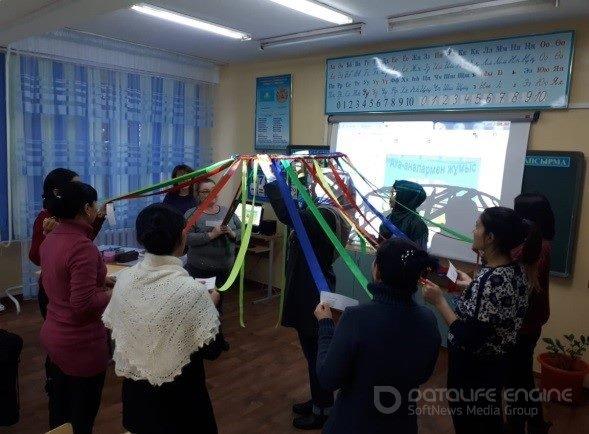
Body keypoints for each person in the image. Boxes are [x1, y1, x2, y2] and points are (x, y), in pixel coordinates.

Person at [103, 203, 223, 434]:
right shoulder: (192, 291)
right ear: (181, 238)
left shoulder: (125, 279)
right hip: (181, 402)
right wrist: (211, 305)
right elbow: (212, 350)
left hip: (138, 399)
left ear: (140, 239)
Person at [423, 207, 542, 434]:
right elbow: (493, 313)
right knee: (488, 418)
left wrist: (439, 302)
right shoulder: (516, 271)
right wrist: (472, 287)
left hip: (472, 370)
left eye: (478, 226)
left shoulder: (490, 280)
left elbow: (468, 336)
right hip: (495, 366)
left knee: (471, 423)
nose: (473, 230)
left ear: (490, 237)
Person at [313, 238, 441, 434]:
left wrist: (325, 324)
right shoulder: (428, 319)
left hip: (354, 424)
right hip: (402, 425)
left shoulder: (356, 318)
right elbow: (423, 374)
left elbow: (328, 378)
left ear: (377, 271)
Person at [260, 159, 351, 430]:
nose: (312, 187)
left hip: (312, 294)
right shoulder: (327, 213)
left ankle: (322, 410)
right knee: (312, 353)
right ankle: (317, 400)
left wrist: (271, 178)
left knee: (316, 355)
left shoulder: (325, 216)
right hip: (311, 289)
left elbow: (289, 215)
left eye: (318, 184)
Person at [40, 181, 113, 434]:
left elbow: (62, 280)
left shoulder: (51, 238)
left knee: (60, 413)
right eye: (94, 204)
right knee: (81, 418)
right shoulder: (82, 246)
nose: (96, 208)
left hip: (55, 335)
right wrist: (113, 294)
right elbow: (82, 304)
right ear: (86, 208)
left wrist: (100, 281)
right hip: (80, 344)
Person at [505, 193, 555, 434]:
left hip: (525, 323)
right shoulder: (536, 242)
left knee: (517, 380)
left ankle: (516, 426)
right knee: (522, 376)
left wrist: (493, 248)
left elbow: (514, 268)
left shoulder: (537, 247)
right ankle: (536, 423)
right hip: (528, 321)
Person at [29, 168, 105, 319]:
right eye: (75, 186)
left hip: (71, 288)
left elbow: (81, 243)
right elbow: (36, 256)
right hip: (56, 291)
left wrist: (97, 220)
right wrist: (50, 237)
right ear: (57, 192)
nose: (79, 189)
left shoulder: (73, 221)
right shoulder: (46, 218)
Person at [184, 178, 241, 291]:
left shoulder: (227, 211)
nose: (211, 194)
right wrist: (211, 235)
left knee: (221, 298)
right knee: (207, 299)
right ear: (198, 194)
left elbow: (242, 230)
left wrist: (232, 233)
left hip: (225, 268)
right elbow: (186, 238)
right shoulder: (191, 214)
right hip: (202, 270)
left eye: (214, 190)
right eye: (205, 191)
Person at [379, 180, 429, 250]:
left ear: (405, 197)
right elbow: (381, 245)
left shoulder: (418, 225)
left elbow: (419, 254)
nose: (390, 197)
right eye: (391, 194)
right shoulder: (389, 218)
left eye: (394, 194)